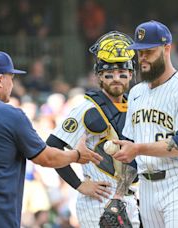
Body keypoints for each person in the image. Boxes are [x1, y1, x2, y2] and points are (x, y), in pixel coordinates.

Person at [0, 51, 102, 228]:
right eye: (12, 78)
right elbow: (47, 158)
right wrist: (77, 155)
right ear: (0, 80)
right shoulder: (9, 115)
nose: (13, 84)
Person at [111, 20, 178, 228]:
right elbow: (130, 152)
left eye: (149, 51)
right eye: (139, 52)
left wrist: (138, 149)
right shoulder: (136, 93)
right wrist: (119, 195)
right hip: (147, 187)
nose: (142, 58)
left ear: (166, 49)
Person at [46, 31, 140, 228]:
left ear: (130, 75)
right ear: (99, 76)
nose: (116, 79)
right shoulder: (87, 108)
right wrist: (79, 185)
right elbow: (52, 146)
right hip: (99, 199)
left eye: (122, 74)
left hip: (129, 197)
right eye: (109, 74)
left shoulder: (135, 107)